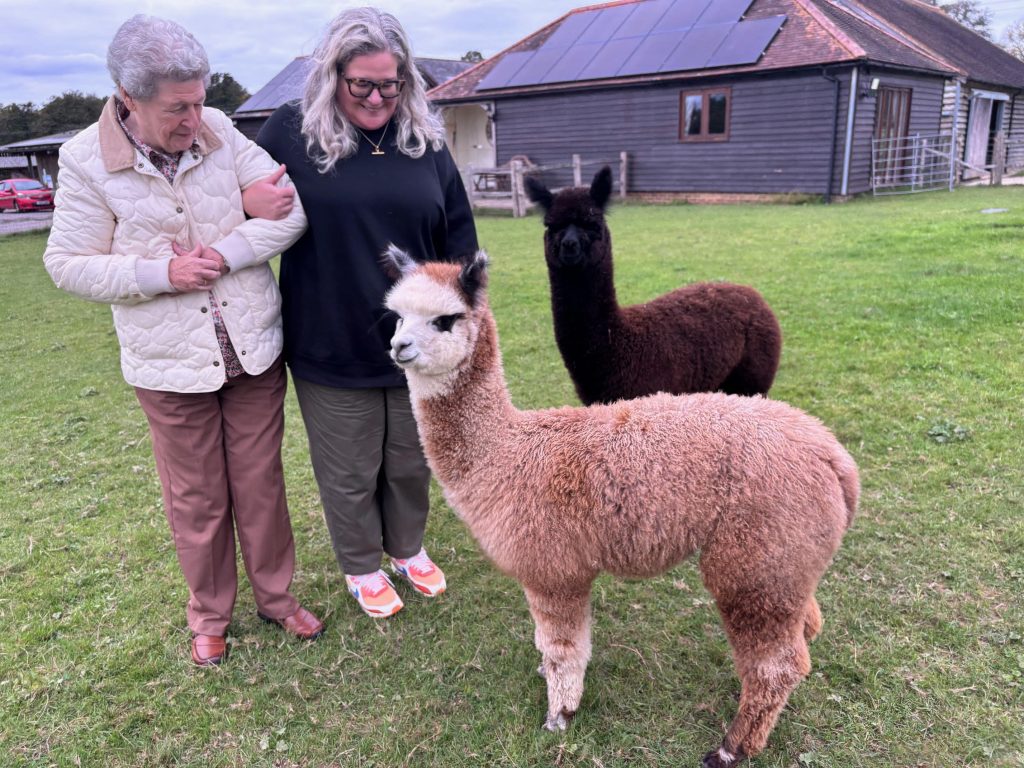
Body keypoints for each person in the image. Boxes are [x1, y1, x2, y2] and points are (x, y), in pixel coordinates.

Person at [43, 14, 323, 667]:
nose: (195, 117)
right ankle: (210, 616)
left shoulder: (222, 130)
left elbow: (292, 211)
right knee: (196, 495)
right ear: (128, 97)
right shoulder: (85, 160)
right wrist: (158, 274)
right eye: (177, 107)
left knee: (260, 484)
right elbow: (68, 263)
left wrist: (223, 253)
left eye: (199, 100)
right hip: (168, 364)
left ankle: (278, 599)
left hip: (251, 346)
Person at [253, 7, 478, 618]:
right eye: (363, 85)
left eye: (392, 83)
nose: (379, 97)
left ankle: (407, 548)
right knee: (349, 466)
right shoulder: (290, 131)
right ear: (334, 76)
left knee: (410, 457)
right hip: (331, 335)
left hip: (421, 340)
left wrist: (460, 316)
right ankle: (360, 563)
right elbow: (239, 191)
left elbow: (457, 233)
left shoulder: (424, 141)